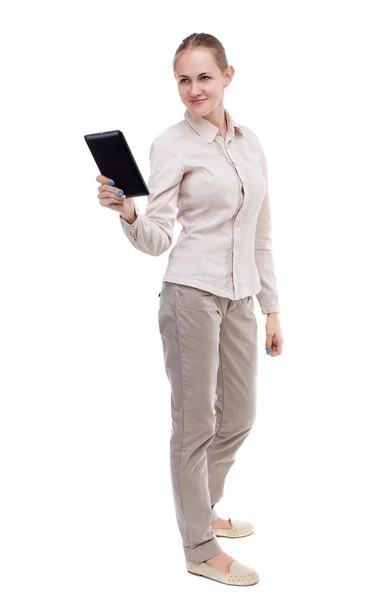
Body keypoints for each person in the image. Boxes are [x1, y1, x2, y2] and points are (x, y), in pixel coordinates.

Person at [96, 32, 284, 587]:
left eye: (204, 76)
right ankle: (198, 546)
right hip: (190, 297)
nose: (194, 88)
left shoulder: (251, 145)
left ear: (229, 76)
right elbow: (158, 237)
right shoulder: (171, 144)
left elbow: (262, 233)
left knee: (240, 416)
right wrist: (127, 212)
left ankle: (203, 507)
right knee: (195, 424)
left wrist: (272, 307)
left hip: (241, 298)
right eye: (184, 79)